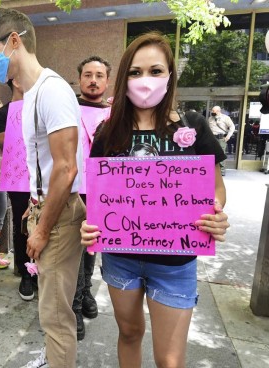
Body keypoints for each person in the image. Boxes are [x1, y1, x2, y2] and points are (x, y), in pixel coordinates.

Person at [80, 32, 230, 368]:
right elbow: (96, 197)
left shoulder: (194, 126)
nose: (144, 80)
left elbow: (215, 188)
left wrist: (216, 211)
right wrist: (88, 226)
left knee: (169, 360)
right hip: (121, 258)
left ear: (170, 75)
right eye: (135, 72)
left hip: (176, 264)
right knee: (130, 333)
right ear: (123, 78)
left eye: (155, 71)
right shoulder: (108, 132)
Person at [0, 8, 85, 368]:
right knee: (49, 304)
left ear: (13, 41)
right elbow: (48, 164)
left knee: (56, 314)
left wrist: (41, 226)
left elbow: (67, 168)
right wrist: (34, 204)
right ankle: (54, 356)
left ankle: (58, 360)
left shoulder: (52, 90)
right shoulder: (34, 93)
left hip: (61, 213)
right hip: (47, 208)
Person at [72, 55, 112, 340]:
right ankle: (73, 306)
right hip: (73, 187)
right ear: (79, 79)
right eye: (88, 74)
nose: (93, 80)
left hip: (104, 190)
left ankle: (86, 291)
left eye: (99, 75)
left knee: (91, 246)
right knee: (74, 249)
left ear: (107, 81)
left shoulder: (116, 114)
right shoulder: (68, 108)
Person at [0, 78, 33, 300]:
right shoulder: (3, 113)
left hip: (44, 177)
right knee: (22, 224)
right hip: (18, 177)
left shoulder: (41, 107)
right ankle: (25, 270)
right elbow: (3, 141)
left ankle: (41, 269)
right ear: (17, 82)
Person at [208, 105, 235, 176]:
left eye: (213, 111)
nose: (212, 112)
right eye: (212, 110)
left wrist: (228, 136)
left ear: (218, 111)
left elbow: (232, 126)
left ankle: (222, 170)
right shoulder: (210, 118)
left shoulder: (225, 118)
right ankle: (213, 169)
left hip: (221, 138)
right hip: (212, 138)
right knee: (211, 153)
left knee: (221, 154)